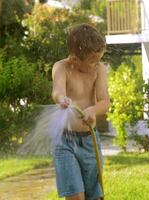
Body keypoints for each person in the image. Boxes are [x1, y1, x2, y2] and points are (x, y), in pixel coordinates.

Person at [51, 23, 110, 200]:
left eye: (99, 59)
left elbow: (105, 102)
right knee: (75, 196)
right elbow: (57, 91)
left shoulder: (98, 70)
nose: (96, 64)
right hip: (65, 142)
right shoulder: (61, 67)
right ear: (75, 59)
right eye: (93, 61)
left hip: (89, 141)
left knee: (94, 196)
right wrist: (61, 99)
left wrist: (92, 110)